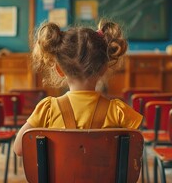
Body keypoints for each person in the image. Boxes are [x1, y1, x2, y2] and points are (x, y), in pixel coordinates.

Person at [13, 20, 143, 156]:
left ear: (59, 70)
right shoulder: (119, 112)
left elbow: (18, 149)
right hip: (105, 178)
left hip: (58, 178)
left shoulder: (47, 109)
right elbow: (137, 150)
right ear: (104, 68)